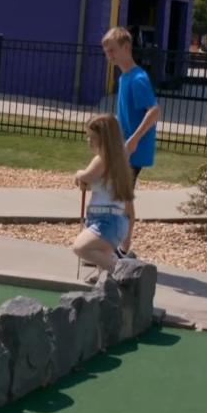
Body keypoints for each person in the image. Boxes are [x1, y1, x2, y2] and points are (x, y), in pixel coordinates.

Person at [101, 26, 161, 258]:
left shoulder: (137, 78)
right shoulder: (125, 77)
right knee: (123, 196)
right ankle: (120, 247)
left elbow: (154, 111)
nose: (110, 55)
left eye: (113, 50)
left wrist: (133, 141)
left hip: (134, 150)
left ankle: (122, 249)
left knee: (122, 197)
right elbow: (126, 113)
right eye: (107, 51)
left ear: (126, 48)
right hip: (125, 147)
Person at [72, 115, 136, 276]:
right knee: (101, 255)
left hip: (106, 221)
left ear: (105, 140)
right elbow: (92, 183)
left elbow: (85, 176)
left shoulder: (102, 160)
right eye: (88, 136)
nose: (89, 140)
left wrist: (78, 174)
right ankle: (106, 281)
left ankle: (121, 270)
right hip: (111, 221)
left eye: (93, 137)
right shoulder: (118, 163)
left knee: (80, 247)